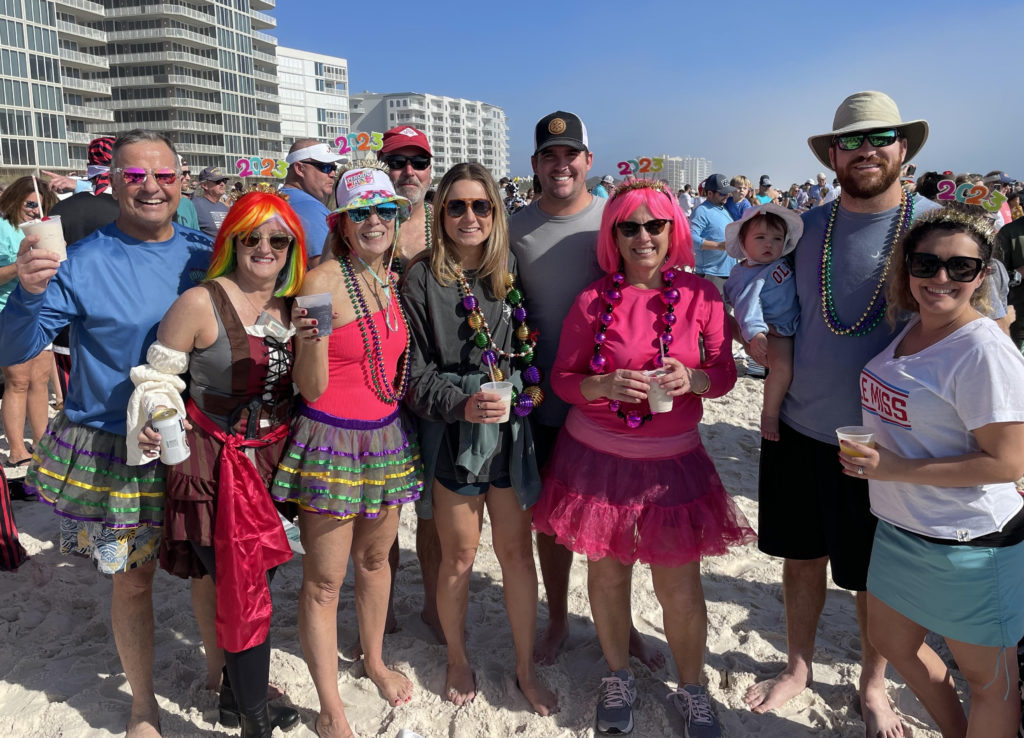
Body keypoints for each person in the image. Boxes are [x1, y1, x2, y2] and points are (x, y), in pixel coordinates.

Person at [0, 129, 211, 737]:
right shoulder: (82, 262)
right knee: (134, 580)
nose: (151, 187)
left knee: (208, 567)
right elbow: (17, 348)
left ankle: (220, 671)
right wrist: (28, 291)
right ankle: (143, 706)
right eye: (135, 175)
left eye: (164, 176)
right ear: (112, 182)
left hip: (196, 442)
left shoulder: (204, 255)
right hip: (116, 451)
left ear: (182, 181)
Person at [744, 91, 939, 738]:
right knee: (800, 559)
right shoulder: (803, 229)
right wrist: (759, 353)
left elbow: (983, 327)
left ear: (902, 147)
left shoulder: (934, 228)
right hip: (801, 427)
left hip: (888, 443)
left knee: (872, 577)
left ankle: (873, 683)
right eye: (852, 141)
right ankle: (798, 666)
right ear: (832, 154)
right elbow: (767, 303)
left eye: (879, 137)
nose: (866, 150)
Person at [533, 179, 754, 736]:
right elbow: (562, 380)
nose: (643, 236)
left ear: (672, 229)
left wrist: (695, 377)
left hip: (672, 461)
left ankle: (694, 687)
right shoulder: (593, 300)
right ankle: (617, 675)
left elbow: (725, 374)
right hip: (596, 459)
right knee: (607, 576)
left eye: (654, 225)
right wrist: (602, 384)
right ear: (613, 235)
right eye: (628, 226)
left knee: (678, 584)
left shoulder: (703, 295)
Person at [841, 208, 1024, 736]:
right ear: (906, 268)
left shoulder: (982, 350)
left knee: (991, 681)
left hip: (969, 540)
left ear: (983, 274)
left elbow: (1009, 461)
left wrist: (896, 466)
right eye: (926, 262)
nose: (940, 277)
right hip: (902, 528)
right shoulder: (913, 330)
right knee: (893, 642)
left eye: (960, 267)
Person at [131, 191, 305, 737]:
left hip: (275, 459)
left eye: (278, 239)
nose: (264, 248)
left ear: (293, 248)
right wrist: (158, 414)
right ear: (231, 239)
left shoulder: (293, 304)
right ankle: (254, 719)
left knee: (261, 574)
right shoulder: (200, 302)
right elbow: (159, 378)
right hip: (213, 465)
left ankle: (235, 698)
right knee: (243, 584)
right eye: (251, 236)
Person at [270, 165, 423, 738]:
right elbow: (310, 388)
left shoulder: (393, 277)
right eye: (362, 213)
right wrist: (310, 340)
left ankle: (375, 659)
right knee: (326, 579)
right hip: (331, 438)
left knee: (377, 561)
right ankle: (330, 705)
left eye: (385, 211)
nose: (375, 222)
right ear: (342, 223)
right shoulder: (323, 280)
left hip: (385, 436)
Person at [402, 162, 557, 716]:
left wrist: (519, 393)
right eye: (456, 207)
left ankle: (523, 667)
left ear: (496, 212)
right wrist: (462, 402)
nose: (469, 217)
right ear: (440, 213)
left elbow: (525, 352)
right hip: (452, 437)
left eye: (481, 206)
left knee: (516, 554)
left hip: (510, 434)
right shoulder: (421, 278)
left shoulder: (507, 269)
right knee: (459, 556)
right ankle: (458, 658)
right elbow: (413, 375)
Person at [510, 110, 661, 670]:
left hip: (618, 401)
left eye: (570, 154)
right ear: (535, 164)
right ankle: (556, 617)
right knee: (550, 520)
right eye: (549, 155)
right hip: (541, 396)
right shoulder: (515, 225)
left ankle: (621, 626)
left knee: (621, 518)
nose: (561, 164)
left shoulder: (616, 220)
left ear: (588, 161)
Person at [723, 203, 802, 440]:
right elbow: (748, 307)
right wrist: (757, 333)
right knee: (782, 368)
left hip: (793, 324)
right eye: (760, 237)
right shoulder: (749, 275)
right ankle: (769, 413)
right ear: (743, 242)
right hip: (776, 331)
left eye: (777, 238)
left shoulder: (779, 263)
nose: (769, 244)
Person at [0, 177, 58, 468]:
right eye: (30, 204)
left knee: (41, 380)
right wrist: (19, 268)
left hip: (40, 310)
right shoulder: (2, 228)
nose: (37, 211)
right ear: (14, 201)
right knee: (18, 381)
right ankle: (16, 449)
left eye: (42, 205)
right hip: (7, 314)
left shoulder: (41, 228)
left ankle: (40, 441)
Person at [378, 125, 433, 276]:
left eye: (420, 162)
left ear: (430, 171)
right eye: (397, 162)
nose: (409, 172)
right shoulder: (359, 224)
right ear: (378, 169)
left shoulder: (447, 222)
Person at [281, 139, 343, 268]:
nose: (332, 174)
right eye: (325, 167)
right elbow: (324, 270)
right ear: (299, 169)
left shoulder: (281, 198)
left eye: (334, 168)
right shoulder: (309, 207)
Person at [689, 173, 737, 295]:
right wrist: (718, 246)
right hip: (711, 274)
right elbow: (691, 238)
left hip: (726, 272)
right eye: (722, 193)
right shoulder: (701, 211)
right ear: (709, 193)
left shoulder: (722, 208)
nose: (726, 196)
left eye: (727, 192)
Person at [192, 167, 231, 238]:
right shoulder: (194, 205)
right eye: (218, 181)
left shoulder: (224, 207)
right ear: (204, 185)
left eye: (224, 181)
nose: (222, 184)